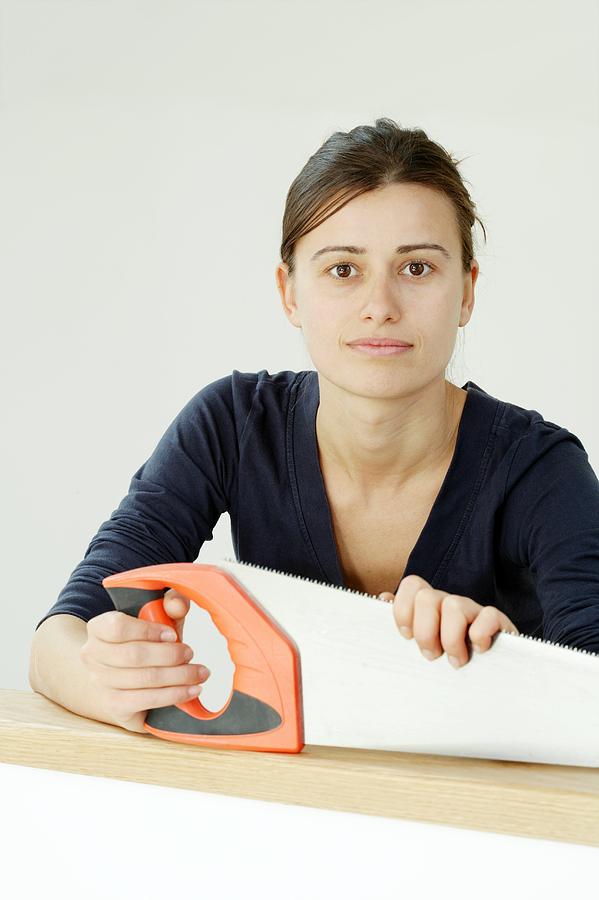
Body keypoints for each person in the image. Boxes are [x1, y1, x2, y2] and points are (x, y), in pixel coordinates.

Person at [29, 117, 599, 735]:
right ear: (289, 293)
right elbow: (58, 639)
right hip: (296, 809)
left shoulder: (541, 469)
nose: (380, 304)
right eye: (343, 270)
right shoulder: (231, 426)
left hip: (492, 820)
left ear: (466, 291)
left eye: (416, 269)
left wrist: (511, 663)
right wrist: (110, 679)